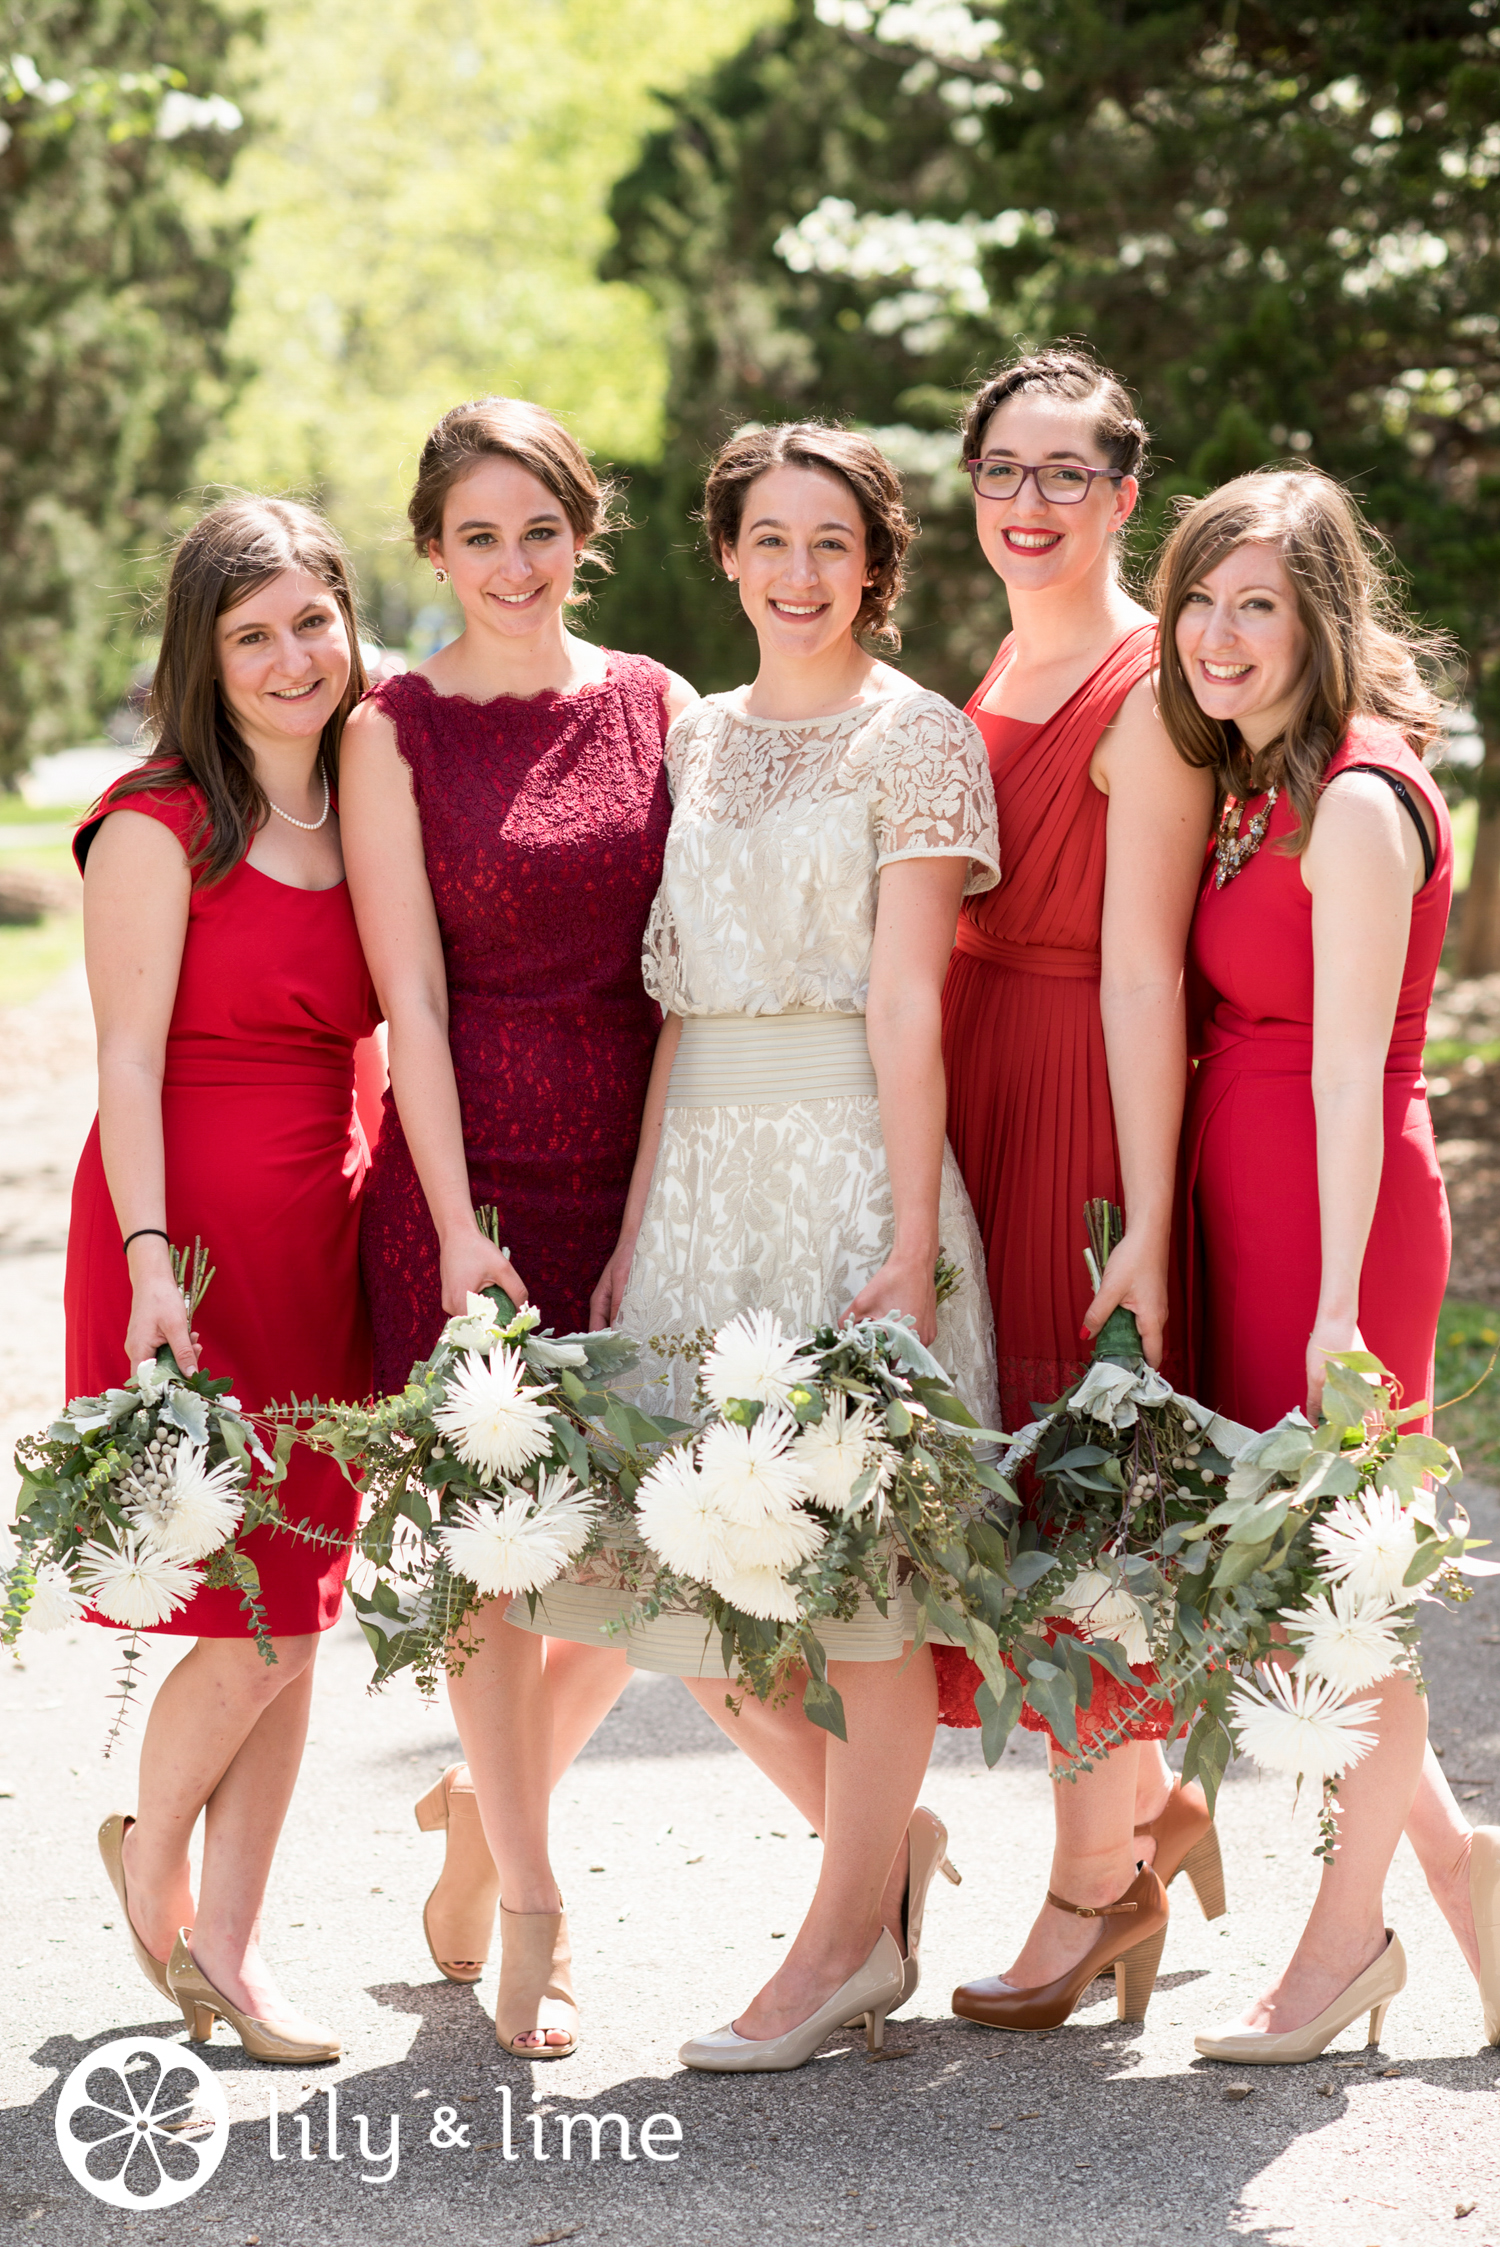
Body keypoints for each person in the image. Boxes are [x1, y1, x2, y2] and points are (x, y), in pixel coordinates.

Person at [528, 420, 1001, 2072]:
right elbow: (672, 1005)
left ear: (877, 563)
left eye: (832, 543)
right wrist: (641, 1218)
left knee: (862, 1589)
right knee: (683, 1570)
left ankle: (832, 1951)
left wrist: (911, 1235)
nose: (799, 574)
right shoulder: (698, 738)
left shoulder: (919, 739)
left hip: (850, 1173)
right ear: (723, 556)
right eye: (769, 541)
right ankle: (877, 1876)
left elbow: (906, 999)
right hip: (702, 1188)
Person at [339, 397, 696, 2058]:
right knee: (492, 1565)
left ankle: (488, 1817)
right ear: (431, 552)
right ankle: (538, 1907)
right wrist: (450, 1220)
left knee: (636, 1556)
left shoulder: (658, 704)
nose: (512, 565)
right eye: (476, 537)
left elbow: (686, 966)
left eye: (539, 529)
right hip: (464, 1173)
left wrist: (653, 1206)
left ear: (584, 528)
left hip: (636, 1154)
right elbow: (404, 992)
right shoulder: (389, 728)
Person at [1157, 464, 1500, 2061]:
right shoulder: (1254, 786)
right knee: (1307, 1598)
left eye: (1258, 607)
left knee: (1344, 1602)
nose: (1219, 636)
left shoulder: (1358, 799)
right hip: (1257, 1209)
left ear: (1323, 620)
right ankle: (1465, 1876)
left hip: (1334, 1228)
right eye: (1202, 602)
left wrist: (1335, 1318)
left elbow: (1357, 1074)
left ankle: (1341, 1946)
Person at [71, 497, 379, 2064]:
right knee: (243, 1604)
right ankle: (153, 1860)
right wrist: (144, 1267)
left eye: (308, 622)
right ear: (202, 653)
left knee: (303, 1606)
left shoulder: (367, 803)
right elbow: (123, 1060)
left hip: (325, 1234)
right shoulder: (156, 821)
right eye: (249, 634)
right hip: (183, 1244)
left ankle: (234, 1949)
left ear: (348, 619)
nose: (285, 658)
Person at [933, 350, 1218, 2036]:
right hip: (972, 1076)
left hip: (1081, 1109)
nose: (1028, 505)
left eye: (1065, 476)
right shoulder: (1005, 659)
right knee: (1014, 1492)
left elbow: (1142, 977)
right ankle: (1150, 1808)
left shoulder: (1143, 686)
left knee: (1082, 1501)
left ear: (1126, 497)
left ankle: (1091, 1893)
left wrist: (1150, 1219)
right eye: (1003, 473)